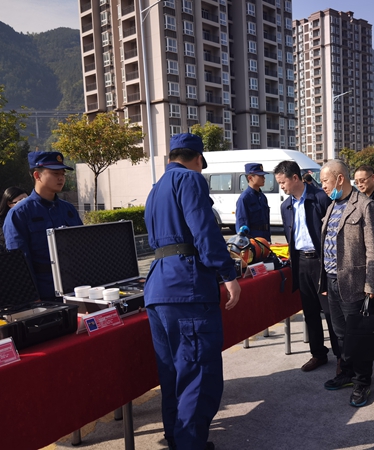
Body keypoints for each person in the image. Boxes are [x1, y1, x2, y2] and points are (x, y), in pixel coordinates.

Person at [144, 133, 241, 450]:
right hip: (187, 286)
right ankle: (190, 445)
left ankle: (177, 438)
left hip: (159, 286)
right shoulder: (191, 179)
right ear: (198, 159)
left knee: (172, 372)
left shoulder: (156, 188)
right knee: (198, 373)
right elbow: (205, 231)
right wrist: (228, 273)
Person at [319, 159, 374, 408]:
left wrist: (373, 286)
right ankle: (346, 372)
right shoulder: (332, 205)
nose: (323, 186)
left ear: (340, 179)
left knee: (359, 336)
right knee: (340, 334)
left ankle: (362, 382)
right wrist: (325, 280)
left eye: (325, 181)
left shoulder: (366, 206)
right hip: (332, 281)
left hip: (355, 283)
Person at [274, 160, 340, 373]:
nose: (281, 187)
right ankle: (318, 354)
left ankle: (342, 357)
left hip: (322, 262)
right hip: (301, 262)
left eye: (283, 182)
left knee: (331, 312)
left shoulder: (320, 198)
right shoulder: (286, 206)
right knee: (310, 312)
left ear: (295, 178)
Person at [4, 152, 82, 301]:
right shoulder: (20, 213)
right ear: (37, 175)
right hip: (44, 293)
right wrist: (31, 296)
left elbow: (81, 247)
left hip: (75, 288)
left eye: (63, 174)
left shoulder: (68, 209)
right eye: (55, 173)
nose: (61, 178)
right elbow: (18, 261)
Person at [236, 163, 271, 241]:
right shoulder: (244, 198)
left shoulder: (262, 197)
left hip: (265, 239)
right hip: (253, 240)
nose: (264, 178)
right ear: (250, 178)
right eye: (260, 176)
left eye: (263, 176)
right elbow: (242, 225)